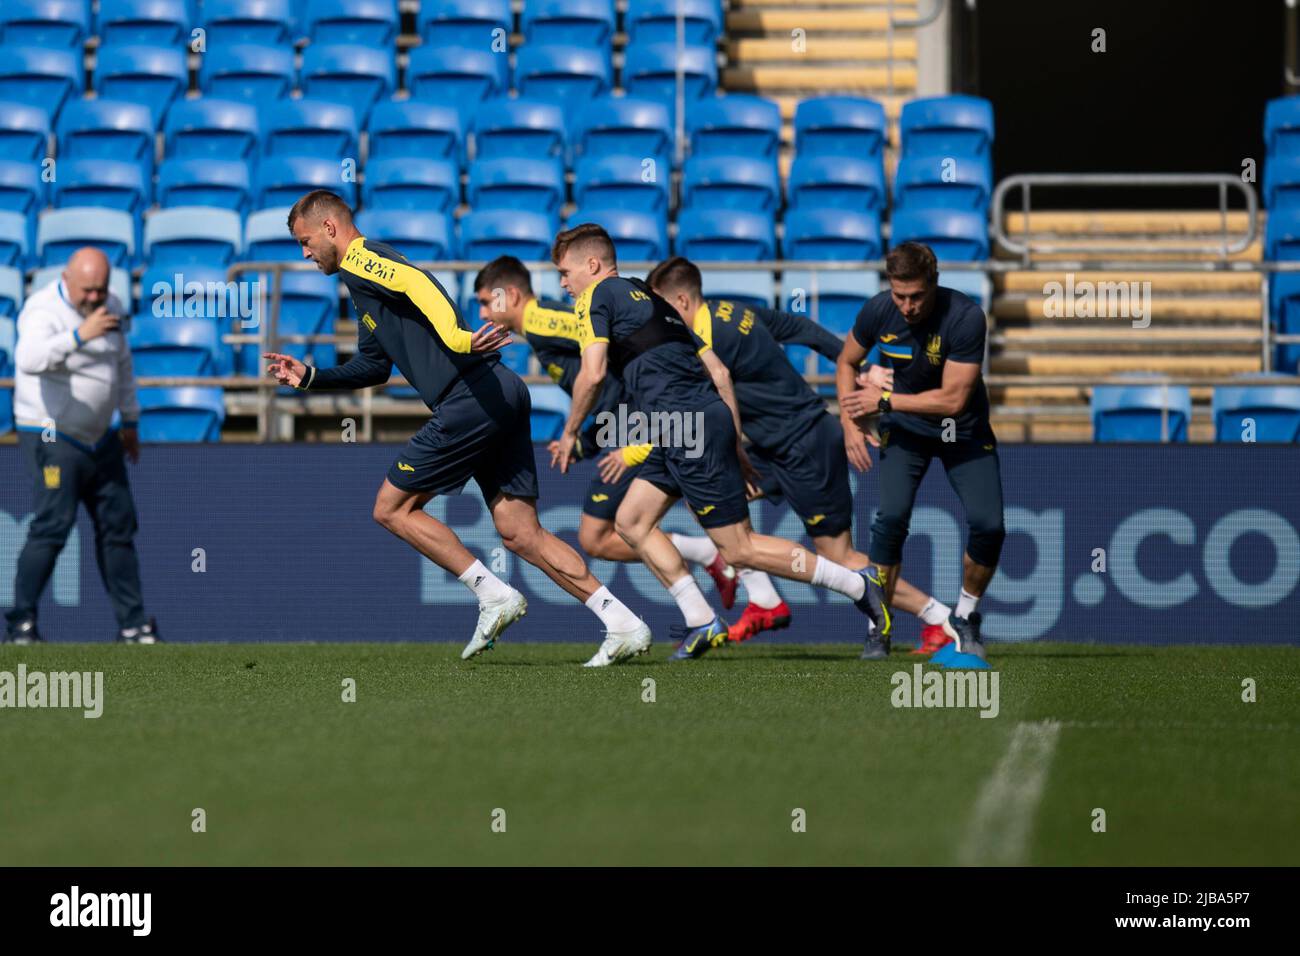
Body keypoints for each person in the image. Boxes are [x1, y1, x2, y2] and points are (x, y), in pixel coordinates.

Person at [265, 191, 650, 667]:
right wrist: (310, 377)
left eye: (305, 242)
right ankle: (622, 622)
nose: (304, 253)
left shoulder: (364, 258)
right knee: (520, 532)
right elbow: (374, 365)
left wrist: (457, 338)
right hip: (499, 392)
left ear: (329, 229)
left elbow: (418, 282)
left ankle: (493, 594)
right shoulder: (358, 282)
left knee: (391, 508)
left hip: (468, 398)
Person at [550, 224, 886, 661]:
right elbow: (720, 373)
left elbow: (592, 374)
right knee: (631, 520)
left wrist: (571, 431)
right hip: (688, 424)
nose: (563, 283)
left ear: (592, 265)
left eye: (564, 271)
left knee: (739, 547)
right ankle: (701, 620)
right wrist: (734, 443)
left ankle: (858, 583)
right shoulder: (651, 301)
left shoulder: (597, 297)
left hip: (684, 425)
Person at [647, 256, 954, 651]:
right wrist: (859, 368)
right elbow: (800, 327)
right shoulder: (733, 311)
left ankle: (939, 618)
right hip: (773, 448)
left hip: (806, 444)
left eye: (663, 309)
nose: (659, 321)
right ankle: (764, 599)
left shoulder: (711, 342)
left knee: (840, 557)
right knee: (704, 499)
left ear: (683, 302)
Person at [470, 255, 748, 609]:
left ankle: (715, 578)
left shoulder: (543, 320)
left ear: (508, 294)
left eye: (484, 301)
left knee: (608, 532)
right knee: (604, 535)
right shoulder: (539, 331)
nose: (481, 313)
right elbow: (607, 387)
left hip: (647, 427)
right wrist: (586, 442)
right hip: (638, 425)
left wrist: (602, 435)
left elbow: (606, 358)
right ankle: (718, 578)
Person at [837, 241, 1006, 661]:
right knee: (890, 520)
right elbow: (845, 362)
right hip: (907, 431)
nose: (908, 306)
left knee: (989, 525)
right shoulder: (878, 310)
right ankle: (879, 626)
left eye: (916, 297)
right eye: (900, 296)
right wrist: (849, 424)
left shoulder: (966, 318)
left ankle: (965, 617)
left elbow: (952, 400)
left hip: (959, 429)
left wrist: (884, 402)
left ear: (934, 284)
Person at [5, 248, 160, 645]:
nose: (96, 298)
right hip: (52, 434)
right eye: (88, 290)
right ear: (68, 280)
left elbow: (121, 363)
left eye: (102, 289)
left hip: (101, 436)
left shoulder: (113, 305)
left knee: (118, 526)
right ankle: (21, 623)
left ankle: (134, 625)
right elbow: (28, 359)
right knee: (52, 526)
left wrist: (129, 419)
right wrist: (77, 336)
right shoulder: (42, 310)